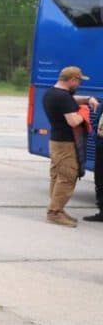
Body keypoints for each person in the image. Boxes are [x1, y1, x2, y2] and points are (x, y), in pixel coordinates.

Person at [42, 66, 99, 227]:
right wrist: (84, 113)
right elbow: (73, 121)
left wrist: (88, 99)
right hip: (66, 144)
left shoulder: (51, 93)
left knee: (57, 176)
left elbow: (71, 100)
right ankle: (54, 212)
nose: (79, 84)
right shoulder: (63, 97)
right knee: (67, 177)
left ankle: (56, 208)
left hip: (56, 141)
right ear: (72, 80)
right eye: (79, 81)